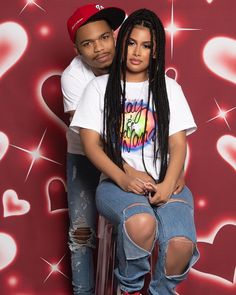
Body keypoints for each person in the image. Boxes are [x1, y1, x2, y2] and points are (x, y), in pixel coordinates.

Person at [70, 8, 199, 295]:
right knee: (141, 222)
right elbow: (91, 145)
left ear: (155, 51)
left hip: (165, 182)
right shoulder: (99, 87)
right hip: (116, 185)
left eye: (146, 45)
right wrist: (123, 178)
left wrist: (168, 182)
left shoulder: (169, 88)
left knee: (180, 244)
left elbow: (178, 143)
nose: (136, 52)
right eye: (131, 43)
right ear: (122, 42)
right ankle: (128, 289)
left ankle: (159, 292)